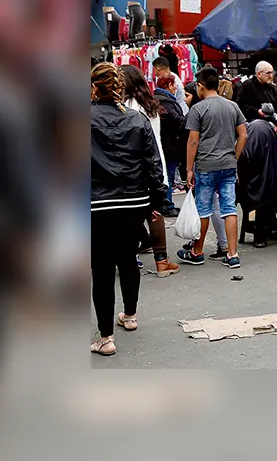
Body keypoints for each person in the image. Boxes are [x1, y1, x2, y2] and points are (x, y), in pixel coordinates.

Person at [91, 62, 168, 356]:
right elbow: (153, 162)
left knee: (101, 268)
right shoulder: (137, 119)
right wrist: (156, 201)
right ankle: (130, 315)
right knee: (127, 258)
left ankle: (106, 337)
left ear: (94, 87)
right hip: (133, 201)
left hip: (95, 203)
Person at [176, 67, 248, 269]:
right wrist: (234, 156)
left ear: (200, 86)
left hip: (205, 166)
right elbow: (243, 134)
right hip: (228, 165)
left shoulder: (198, 109)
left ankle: (197, 251)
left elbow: (193, 141)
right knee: (229, 209)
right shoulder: (232, 106)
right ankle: (232, 254)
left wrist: (189, 169)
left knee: (204, 209)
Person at [120, 65, 178, 277]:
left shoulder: (122, 107)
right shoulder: (151, 106)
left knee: (129, 215)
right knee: (155, 213)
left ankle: (131, 257)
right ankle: (162, 261)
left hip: (130, 168)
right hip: (154, 164)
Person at [237, 103, 277, 248]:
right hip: (275, 179)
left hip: (260, 184)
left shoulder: (250, 133)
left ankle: (261, 235)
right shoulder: (263, 128)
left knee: (259, 197)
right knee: (276, 197)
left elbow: (247, 161)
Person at [154, 73, 186, 217]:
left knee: (167, 175)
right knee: (168, 175)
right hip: (169, 146)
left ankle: (166, 203)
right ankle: (167, 205)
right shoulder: (164, 101)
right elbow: (176, 120)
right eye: (174, 85)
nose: (176, 88)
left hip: (167, 145)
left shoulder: (161, 99)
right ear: (169, 85)